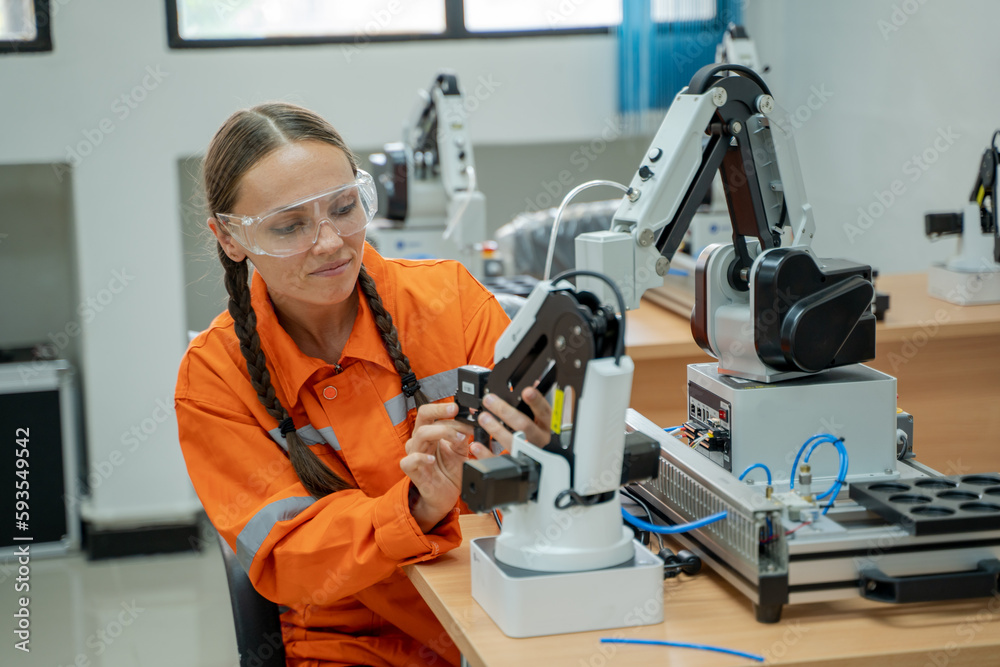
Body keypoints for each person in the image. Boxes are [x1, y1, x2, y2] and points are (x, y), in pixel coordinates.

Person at [175, 103, 551, 667]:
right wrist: (415, 508)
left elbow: (535, 472)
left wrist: (547, 441)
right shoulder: (214, 378)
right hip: (352, 643)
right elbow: (286, 555)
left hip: (498, 605)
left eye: (344, 208)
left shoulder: (452, 303)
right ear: (230, 238)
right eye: (289, 225)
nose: (329, 243)